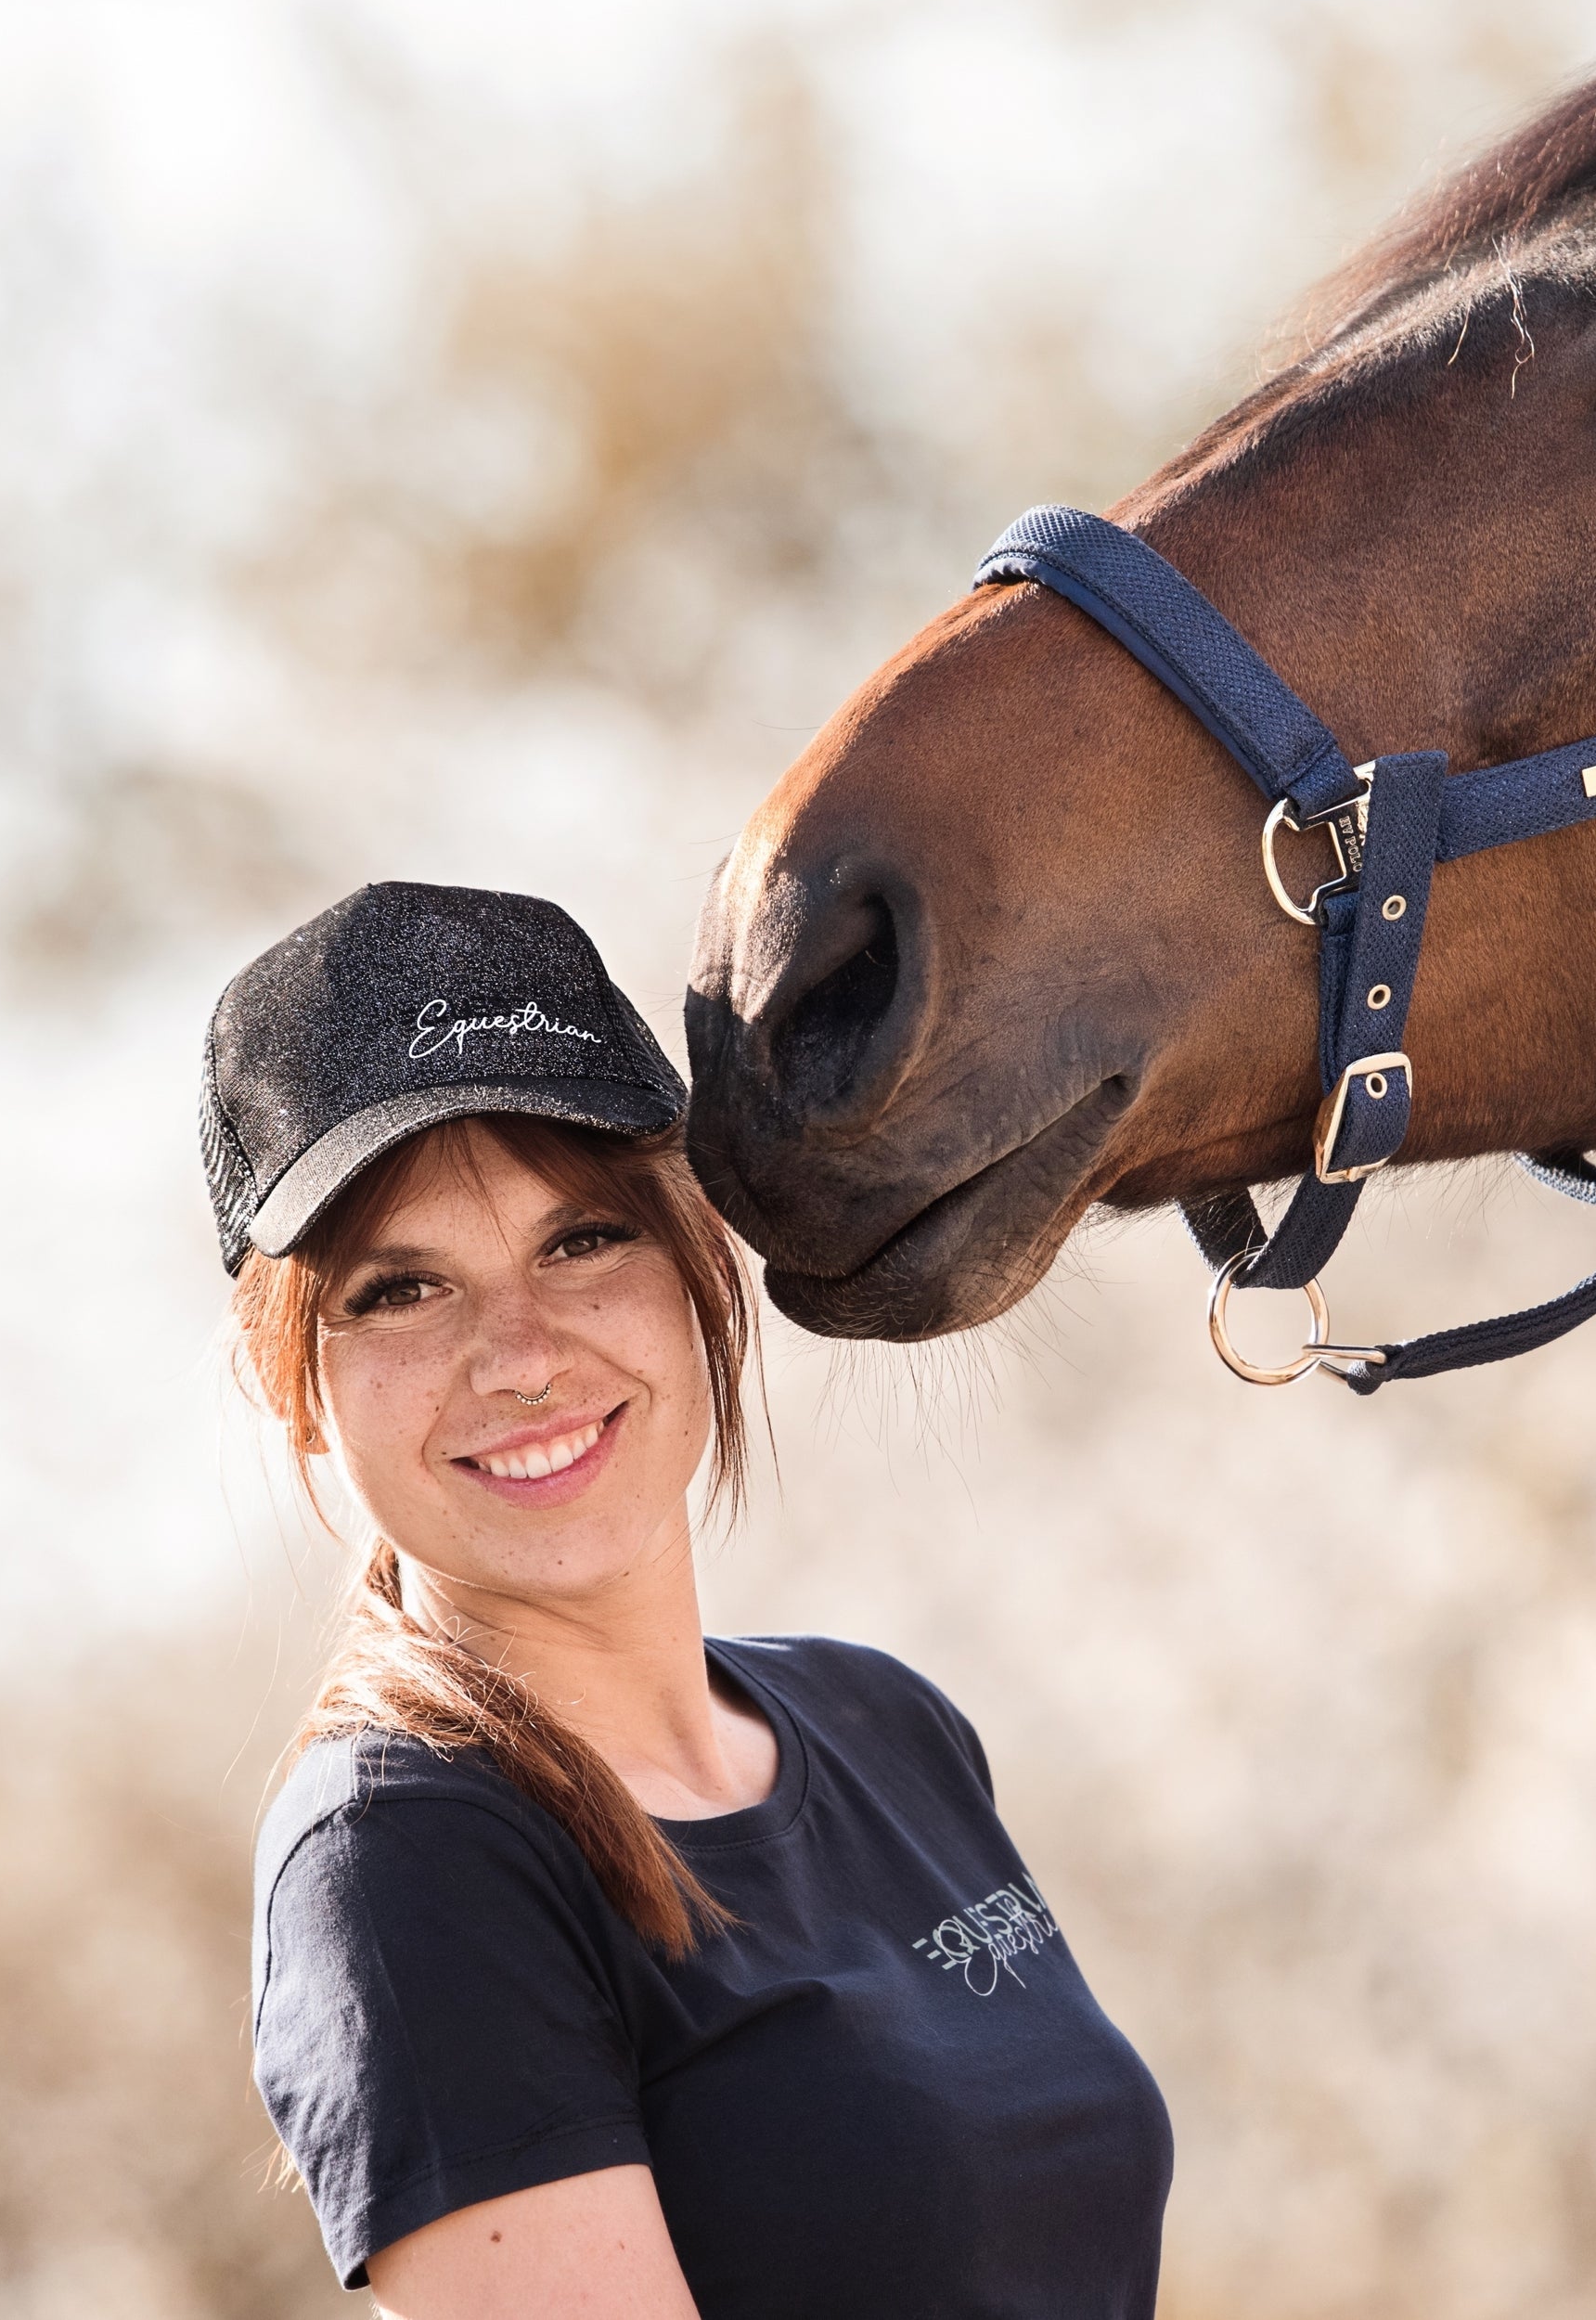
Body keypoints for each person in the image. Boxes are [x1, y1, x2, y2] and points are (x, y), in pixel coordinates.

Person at [205, 880, 1172, 2316]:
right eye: (402, 1290)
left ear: (695, 1260)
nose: (519, 1356)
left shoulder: (886, 1725)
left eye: (581, 1239)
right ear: (300, 1393)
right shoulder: (408, 1857)